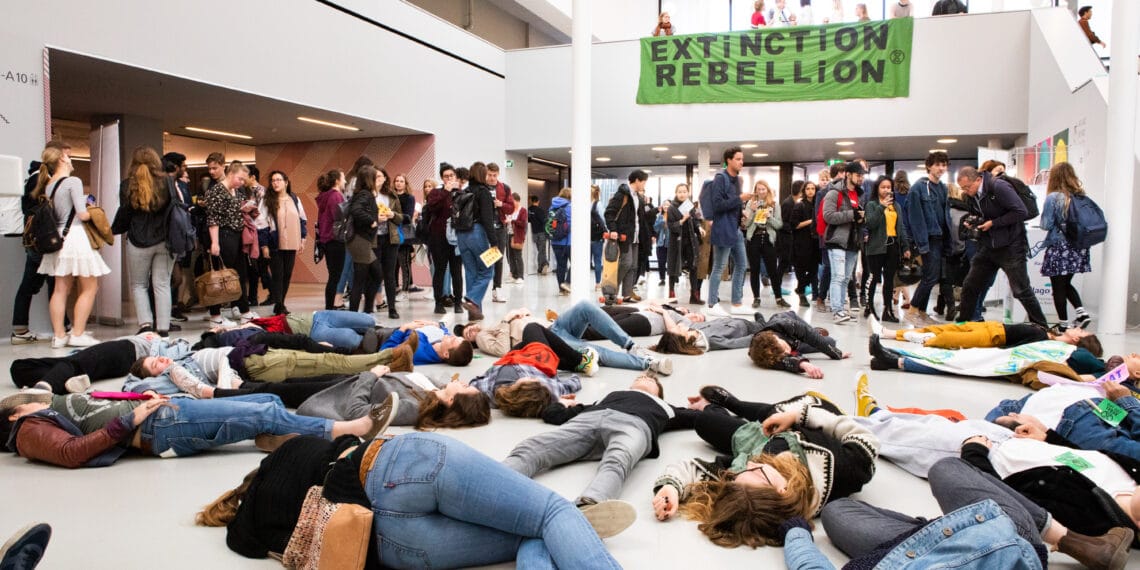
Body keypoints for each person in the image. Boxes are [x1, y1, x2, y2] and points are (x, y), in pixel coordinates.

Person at [198, 433, 625, 568]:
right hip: (398, 466)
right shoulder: (286, 454)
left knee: (522, 536)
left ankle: (565, 533)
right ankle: (575, 528)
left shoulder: (247, 529)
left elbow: (250, 545)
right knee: (551, 512)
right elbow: (346, 443)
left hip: (388, 545)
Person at [786, 460, 1132, 569]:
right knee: (946, 468)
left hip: (908, 552)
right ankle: (1066, 539)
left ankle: (935, 529)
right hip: (1005, 540)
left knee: (836, 511)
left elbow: (808, 564)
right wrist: (794, 528)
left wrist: (794, 528)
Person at [650, 391, 879, 547]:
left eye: (741, 473)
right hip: (808, 416)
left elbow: (692, 468)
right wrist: (798, 415)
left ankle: (717, 406)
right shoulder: (842, 471)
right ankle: (734, 404)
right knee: (774, 412)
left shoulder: (744, 479)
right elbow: (865, 440)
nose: (749, 465)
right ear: (783, 490)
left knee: (704, 421)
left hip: (756, 439)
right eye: (756, 472)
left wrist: (671, 487)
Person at [0, 389, 395, 468]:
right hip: (163, 428)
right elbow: (72, 453)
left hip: (165, 415)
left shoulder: (44, 415)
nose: (37, 400)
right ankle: (352, 429)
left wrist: (136, 401)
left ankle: (279, 438)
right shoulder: (31, 430)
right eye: (29, 400)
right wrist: (132, 418)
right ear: (16, 415)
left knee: (270, 402)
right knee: (263, 412)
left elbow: (92, 411)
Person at [505, 374, 689, 516]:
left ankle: (590, 508)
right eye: (640, 376)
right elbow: (553, 415)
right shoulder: (606, 398)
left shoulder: (666, 407)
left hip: (634, 426)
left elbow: (700, 419)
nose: (643, 376)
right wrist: (561, 403)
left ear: (659, 392)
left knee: (618, 460)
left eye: (650, 379)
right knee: (533, 447)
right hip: (588, 419)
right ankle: (493, 478)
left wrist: (708, 401)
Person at [458, 302, 674, 375]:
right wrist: (508, 319)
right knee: (594, 351)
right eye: (467, 336)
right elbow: (503, 350)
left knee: (585, 307)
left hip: (554, 326)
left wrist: (522, 314)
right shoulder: (485, 337)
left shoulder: (492, 325)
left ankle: (630, 345)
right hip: (550, 339)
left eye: (468, 329)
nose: (470, 332)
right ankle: (649, 363)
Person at [33, 145, 109, 348]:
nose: (71, 159)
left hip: (57, 238)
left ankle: (59, 335)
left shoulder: (49, 184)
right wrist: (91, 208)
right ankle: (78, 333)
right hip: (75, 237)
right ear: (62, 160)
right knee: (90, 286)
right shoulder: (73, 181)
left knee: (60, 289)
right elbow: (82, 214)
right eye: (68, 156)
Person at [953, 167, 1048, 327]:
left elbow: (1020, 211)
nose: (966, 191)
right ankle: (962, 324)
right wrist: (973, 223)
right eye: (963, 189)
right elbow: (983, 214)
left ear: (978, 180)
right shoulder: (973, 196)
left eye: (968, 187)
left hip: (1011, 246)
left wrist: (994, 223)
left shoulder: (999, 187)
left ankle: (1042, 328)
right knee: (970, 285)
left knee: (1021, 290)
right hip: (988, 246)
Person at [111, 146, 174, 336]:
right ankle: (163, 327)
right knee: (162, 283)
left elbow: (125, 214)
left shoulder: (127, 185)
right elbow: (174, 210)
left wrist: (112, 230)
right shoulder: (167, 182)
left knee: (139, 285)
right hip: (164, 240)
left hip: (138, 241)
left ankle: (145, 325)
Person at [10, 333, 183, 394]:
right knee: (19, 368)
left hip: (126, 351)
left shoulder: (167, 346)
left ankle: (42, 390)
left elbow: (183, 356)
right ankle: (67, 383)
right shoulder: (150, 337)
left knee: (74, 365)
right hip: (113, 352)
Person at [1040, 162, 1093, 329]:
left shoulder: (1053, 197)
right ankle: (1081, 312)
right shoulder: (1080, 196)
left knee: (1058, 286)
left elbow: (1046, 224)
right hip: (1078, 246)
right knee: (1066, 282)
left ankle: (1063, 324)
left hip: (1059, 246)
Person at [203, 161, 255, 326]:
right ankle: (215, 316)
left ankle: (245, 311)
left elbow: (238, 210)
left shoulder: (237, 191)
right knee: (219, 277)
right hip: (223, 236)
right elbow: (213, 219)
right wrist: (215, 243)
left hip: (237, 235)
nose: (241, 182)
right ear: (231, 173)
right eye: (240, 178)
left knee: (239, 274)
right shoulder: (216, 191)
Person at [902, 151, 951, 326]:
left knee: (933, 276)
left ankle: (921, 312)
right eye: (938, 164)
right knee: (930, 276)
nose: (941, 168)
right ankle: (913, 310)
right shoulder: (919, 188)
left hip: (940, 238)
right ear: (929, 166)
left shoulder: (943, 188)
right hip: (927, 239)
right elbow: (914, 218)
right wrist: (920, 243)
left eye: (944, 165)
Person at [705, 148, 753, 317]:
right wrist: (740, 199)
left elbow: (733, 206)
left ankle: (737, 303)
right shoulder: (721, 179)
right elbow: (718, 205)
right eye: (738, 159)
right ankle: (711, 303)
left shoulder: (737, 180)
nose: (741, 162)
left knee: (741, 264)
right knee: (719, 267)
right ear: (729, 160)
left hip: (736, 229)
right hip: (723, 228)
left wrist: (743, 213)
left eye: (742, 159)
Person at [822, 162, 865, 324]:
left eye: (862, 176)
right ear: (848, 174)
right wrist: (852, 215)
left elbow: (858, 216)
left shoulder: (860, 194)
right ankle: (837, 310)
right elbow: (828, 216)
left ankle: (841, 310)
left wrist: (862, 218)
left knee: (846, 278)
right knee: (838, 276)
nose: (861, 178)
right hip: (837, 240)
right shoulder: (834, 193)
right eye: (858, 175)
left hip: (853, 242)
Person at [259, 171, 307, 316]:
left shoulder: (294, 198)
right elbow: (261, 223)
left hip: (292, 242)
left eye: (279, 180)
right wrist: (264, 244)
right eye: (273, 180)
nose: (275, 183)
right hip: (275, 243)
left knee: (287, 274)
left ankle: (280, 302)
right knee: (278, 275)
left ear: (286, 182)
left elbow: (302, 219)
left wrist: (303, 239)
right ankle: (279, 305)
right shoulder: (267, 200)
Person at [863, 176, 910, 322]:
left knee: (889, 280)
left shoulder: (896, 206)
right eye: (883, 187)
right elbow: (870, 223)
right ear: (877, 189)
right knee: (874, 278)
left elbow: (901, 227)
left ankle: (887, 310)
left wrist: (905, 246)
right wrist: (882, 206)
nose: (886, 190)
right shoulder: (871, 204)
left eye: (889, 187)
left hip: (893, 246)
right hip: (876, 246)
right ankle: (869, 308)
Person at [455, 162, 497, 321]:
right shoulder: (483, 192)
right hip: (477, 233)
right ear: (482, 175)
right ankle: (472, 299)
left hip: (461, 235)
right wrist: (494, 241)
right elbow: (487, 218)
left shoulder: (464, 191)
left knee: (471, 272)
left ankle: (474, 312)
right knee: (487, 271)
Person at [747, 312, 849, 378]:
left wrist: (837, 354)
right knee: (828, 341)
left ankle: (813, 332)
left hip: (792, 323)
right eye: (784, 353)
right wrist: (802, 364)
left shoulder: (787, 324)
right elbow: (779, 361)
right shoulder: (763, 353)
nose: (787, 353)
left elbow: (819, 342)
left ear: (776, 338)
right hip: (795, 342)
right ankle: (809, 335)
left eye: (784, 348)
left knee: (830, 342)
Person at [425, 164, 464, 315]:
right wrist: (445, 192)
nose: (449, 178)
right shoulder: (436, 192)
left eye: (451, 176)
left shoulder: (461, 194)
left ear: (455, 177)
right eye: (446, 176)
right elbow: (432, 207)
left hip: (456, 239)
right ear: (442, 178)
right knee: (439, 271)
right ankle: (438, 302)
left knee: (456, 272)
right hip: (438, 238)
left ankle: (458, 302)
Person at [606, 171, 650, 303]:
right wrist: (613, 229)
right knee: (626, 263)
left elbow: (640, 218)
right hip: (624, 235)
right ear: (637, 180)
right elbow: (609, 213)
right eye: (644, 182)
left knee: (633, 266)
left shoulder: (638, 197)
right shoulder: (622, 195)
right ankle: (611, 292)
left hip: (636, 236)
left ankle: (626, 294)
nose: (644, 185)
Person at [744, 180, 785, 309]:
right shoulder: (750, 204)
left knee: (773, 270)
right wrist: (752, 211)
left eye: (763, 189)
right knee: (754, 270)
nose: (761, 192)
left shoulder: (774, 204)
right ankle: (756, 298)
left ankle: (779, 298)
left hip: (768, 239)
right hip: (754, 238)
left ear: (767, 190)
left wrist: (769, 217)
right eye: (758, 189)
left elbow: (779, 224)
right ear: (755, 190)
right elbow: (746, 224)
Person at [314, 169, 347, 310]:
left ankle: (330, 306)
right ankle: (329, 307)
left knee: (333, 276)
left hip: (327, 241)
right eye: (343, 178)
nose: (345, 181)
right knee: (335, 277)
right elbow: (340, 218)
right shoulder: (336, 196)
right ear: (337, 181)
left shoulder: (325, 196)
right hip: (336, 240)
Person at [665, 183, 703, 302]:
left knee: (694, 266)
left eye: (684, 191)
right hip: (676, 242)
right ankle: (672, 294)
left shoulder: (690, 206)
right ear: (676, 193)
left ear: (688, 193)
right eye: (680, 192)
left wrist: (699, 228)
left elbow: (696, 220)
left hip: (690, 241)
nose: (682, 194)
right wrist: (682, 220)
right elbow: (670, 226)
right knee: (674, 267)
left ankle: (694, 295)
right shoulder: (672, 208)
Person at [379, 319, 473, 366]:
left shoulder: (416, 351)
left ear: (446, 354)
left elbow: (384, 353)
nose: (452, 336)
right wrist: (436, 325)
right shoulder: (441, 345)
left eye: (452, 340)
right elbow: (445, 331)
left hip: (383, 337)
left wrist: (403, 328)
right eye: (456, 336)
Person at [487, 163, 515, 303]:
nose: (492, 178)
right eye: (489, 175)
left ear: (498, 174)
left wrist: (501, 205)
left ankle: (496, 288)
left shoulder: (504, 188)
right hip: (484, 229)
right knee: (482, 260)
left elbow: (511, 208)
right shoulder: (481, 188)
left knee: (498, 259)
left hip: (499, 228)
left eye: (494, 175)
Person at [790, 181, 819, 308]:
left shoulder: (818, 204)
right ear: (804, 190)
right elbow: (794, 225)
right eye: (808, 188)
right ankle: (802, 294)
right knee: (801, 269)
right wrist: (811, 221)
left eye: (813, 188)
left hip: (815, 242)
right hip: (802, 242)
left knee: (814, 269)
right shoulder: (799, 205)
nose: (811, 191)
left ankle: (800, 288)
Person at [549, 187, 573, 294]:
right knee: (576, 264)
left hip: (555, 241)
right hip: (568, 241)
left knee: (560, 265)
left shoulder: (552, 207)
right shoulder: (570, 207)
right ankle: (567, 283)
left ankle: (561, 289)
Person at [590, 185, 607, 288]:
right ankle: (597, 283)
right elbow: (602, 220)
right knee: (597, 260)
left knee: (584, 261)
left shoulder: (582, 203)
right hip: (597, 236)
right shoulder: (598, 204)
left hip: (584, 237)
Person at [528, 194, 550, 274]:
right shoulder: (540, 210)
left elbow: (529, 220)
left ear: (531, 201)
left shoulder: (529, 210)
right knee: (542, 251)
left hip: (534, 233)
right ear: (538, 201)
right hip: (541, 233)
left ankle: (541, 267)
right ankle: (544, 265)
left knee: (540, 250)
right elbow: (544, 221)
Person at [508, 191, 527, 283]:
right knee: (510, 256)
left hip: (518, 235)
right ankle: (514, 275)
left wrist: (513, 220)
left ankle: (520, 276)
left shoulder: (523, 210)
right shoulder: (510, 210)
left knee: (518, 256)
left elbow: (523, 223)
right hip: (508, 234)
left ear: (517, 201)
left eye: (512, 201)